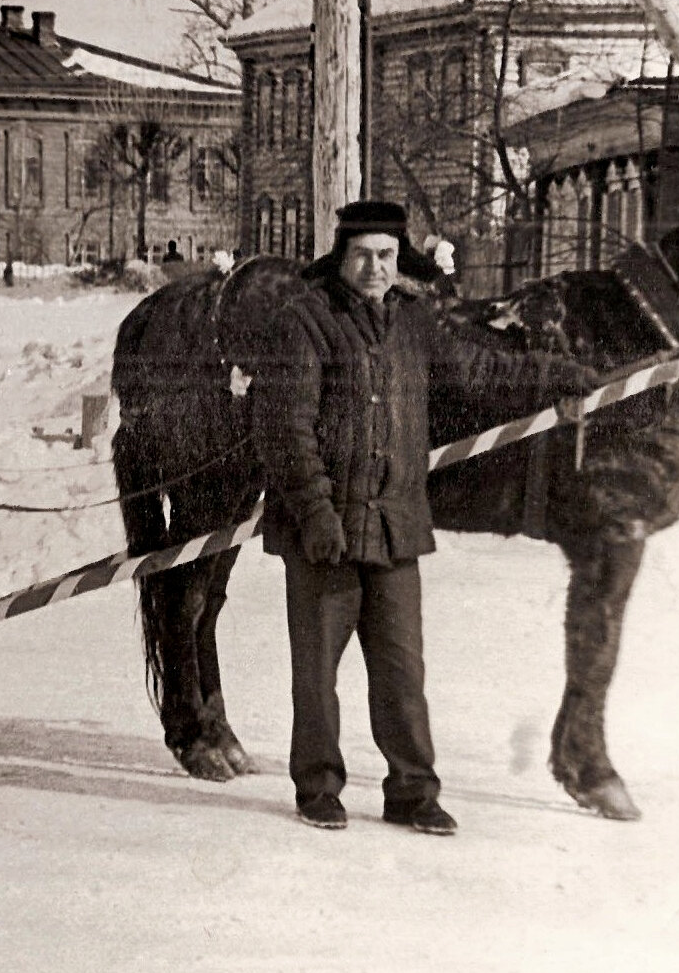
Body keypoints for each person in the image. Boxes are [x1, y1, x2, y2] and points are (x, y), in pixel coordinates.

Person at [252, 200, 596, 833]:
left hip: (394, 525)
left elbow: (480, 372)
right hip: (322, 530)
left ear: (399, 260)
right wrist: (315, 512)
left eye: (385, 255)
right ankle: (319, 786)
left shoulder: (414, 324)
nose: (374, 267)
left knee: (402, 671)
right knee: (317, 674)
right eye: (361, 254)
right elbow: (285, 429)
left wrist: (559, 378)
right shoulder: (304, 321)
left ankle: (413, 790)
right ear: (342, 257)